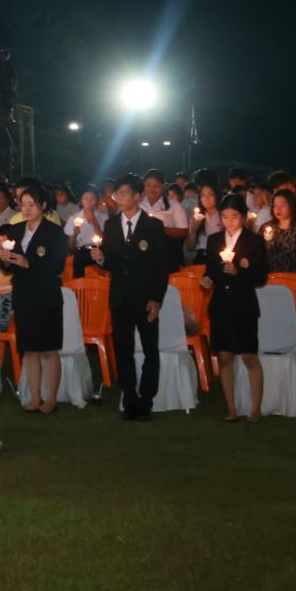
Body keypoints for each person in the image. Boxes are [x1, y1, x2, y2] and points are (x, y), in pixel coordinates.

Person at [91, 173, 170, 421]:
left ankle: (146, 399)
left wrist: (156, 299)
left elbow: (161, 267)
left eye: (124, 193)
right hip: (121, 296)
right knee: (123, 349)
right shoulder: (111, 225)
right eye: (117, 194)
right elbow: (112, 263)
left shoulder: (153, 226)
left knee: (150, 350)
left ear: (137, 196)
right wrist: (101, 259)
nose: (119, 198)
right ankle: (130, 398)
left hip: (146, 297)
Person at [0, 183, 68, 413]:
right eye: (23, 204)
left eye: (31, 205)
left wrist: (29, 263)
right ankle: (35, 397)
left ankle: (51, 398)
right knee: (29, 350)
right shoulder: (16, 230)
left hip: (46, 295)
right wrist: (3, 260)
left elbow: (57, 266)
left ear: (43, 205)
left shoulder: (54, 232)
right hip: (24, 295)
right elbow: (9, 266)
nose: (26, 209)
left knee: (48, 349)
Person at [201, 194, 269, 422]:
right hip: (221, 304)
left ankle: (255, 409)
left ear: (244, 217)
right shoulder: (214, 240)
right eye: (225, 217)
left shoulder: (253, 241)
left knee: (249, 356)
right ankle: (231, 408)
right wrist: (207, 280)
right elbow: (210, 270)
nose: (229, 222)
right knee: (224, 356)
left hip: (244, 304)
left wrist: (239, 272)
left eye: (234, 217)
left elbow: (261, 276)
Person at [140, 169, 189, 271]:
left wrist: (162, 229)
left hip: (167, 254)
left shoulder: (174, 205)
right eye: (148, 185)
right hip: (142, 255)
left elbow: (184, 232)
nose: (152, 189)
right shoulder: (138, 204)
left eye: (156, 186)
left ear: (162, 186)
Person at [262, 188, 296, 275]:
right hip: (272, 277)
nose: (278, 209)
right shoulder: (267, 227)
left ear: (292, 206)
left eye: (282, 205)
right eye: (275, 206)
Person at [68, 187, 107, 277]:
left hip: (98, 250)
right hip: (80, 253)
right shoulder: (74, 218)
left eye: (92, 199)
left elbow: (105, 241)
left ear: (97, 201)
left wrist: (93, 220)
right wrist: (75, 234)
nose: (89, 202)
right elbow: (71, 247)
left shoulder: (103, 217)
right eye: (85, 198)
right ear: (81, 200)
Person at [185, 183, 224, 264]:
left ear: (217, 196)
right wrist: (193, 231)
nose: (207, 198)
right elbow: (190, 247)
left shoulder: (223, 216)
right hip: (201, 257)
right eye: (203, 195)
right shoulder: (197, 218)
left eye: (210, 194)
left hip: (219, 256)